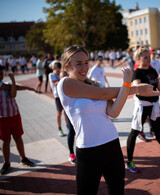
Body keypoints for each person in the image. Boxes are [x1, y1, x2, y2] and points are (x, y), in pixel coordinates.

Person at [57, 45, 153, 194]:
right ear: (67, 65)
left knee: (117, 191)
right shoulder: (65, 84)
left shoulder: (96, 83)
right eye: (79, 64)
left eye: (86, 62)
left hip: (112, 145)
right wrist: (136, 88)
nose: (85, 68)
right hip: (88, 150)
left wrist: (126, 85)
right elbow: (102, 94)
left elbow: (114, 112)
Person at [126, 46, 160, 173]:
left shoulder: (152, 70)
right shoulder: (137, 73)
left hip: (154, 105)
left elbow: (158, 86)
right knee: (135, 132)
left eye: (149, 57)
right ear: (138, 59)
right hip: (142, 106)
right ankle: (129, 162)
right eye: (145, 57)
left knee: (157, 130)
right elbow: (139, 90)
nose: (148, 59)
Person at [0, 68, 35, 175]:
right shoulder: (5, 85)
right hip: (2, 118)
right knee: (6, 141)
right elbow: (13, 93)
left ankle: (23, 158)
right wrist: (14, 82)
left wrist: (26, 87)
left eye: (1, 73)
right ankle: (6, 163)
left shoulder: (7, 84)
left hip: (14, 115)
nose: (0, 75)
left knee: (18, 137)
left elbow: (14, 91)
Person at [49, 62, 66, 137]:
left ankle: (68, 126)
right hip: (57, 97)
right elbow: (56, 83)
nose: (59, 72)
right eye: (57, 71)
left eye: (60, 71)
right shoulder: (51, 75)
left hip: (64, 95)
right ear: (53, 69)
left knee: (65, 112)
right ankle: (59, 129)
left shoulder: (60, 74)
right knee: (59, 113)